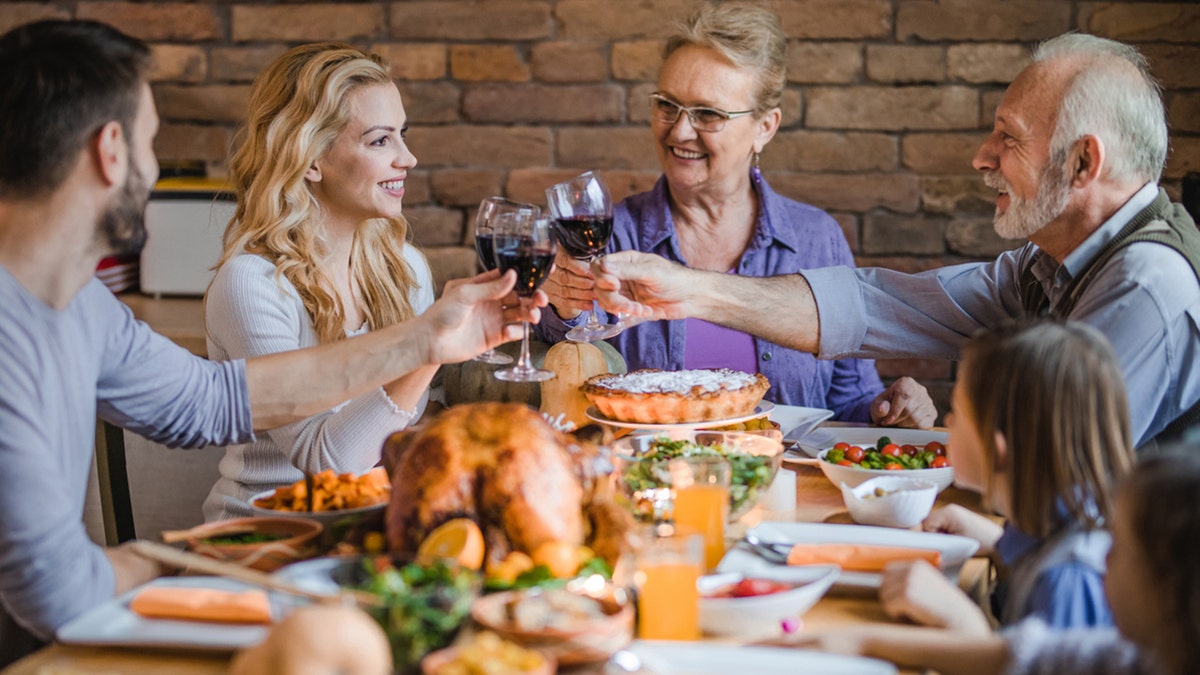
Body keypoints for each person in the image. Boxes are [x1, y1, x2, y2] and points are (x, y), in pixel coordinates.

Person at [0, 19, 543, 666]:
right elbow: (58, 592)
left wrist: (427, 337)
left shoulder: (79, 304)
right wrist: (180, 555)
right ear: (110, 150)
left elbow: (210, 400)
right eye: (152, 142)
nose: (154, 170)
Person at [592, 32, 1200, 448]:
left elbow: (1050, 470)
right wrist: (690, 291)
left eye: (1008, 139)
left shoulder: (1147, 286)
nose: (981, 157)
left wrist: (937, 435)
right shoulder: (1045, 269)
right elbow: (875, 304)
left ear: (1082, 163)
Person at [539, 3, 935, 428]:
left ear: (765, 126)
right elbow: (563, 354)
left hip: (781, 488)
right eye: (667, 105)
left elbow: (846, 402)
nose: (679, 131)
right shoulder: (611, 236)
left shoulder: (817, 239)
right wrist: (562, 305)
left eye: (708, 114)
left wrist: (891, 411)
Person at [202, 44, 439, 520]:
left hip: (371, 525)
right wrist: (430, 346)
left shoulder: (405, 268)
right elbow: (327, 462)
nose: (407, 158)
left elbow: (405, 436)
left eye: (402, 135)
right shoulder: (253, 285)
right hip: (269, 536)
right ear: (311, 160)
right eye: (379, 141)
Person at [789, 452, 1200, 675]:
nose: (1102, 554)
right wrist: (862, 640)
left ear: (1172, 589)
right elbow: (1023, 657)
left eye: (1120, 547)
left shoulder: (1070, 581)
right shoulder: (1136, 657)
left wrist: (966, 622)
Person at [878, 319, 1133, 634]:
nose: (948, 421)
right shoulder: (1056, 521)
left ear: (998, 450)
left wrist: (963, 621)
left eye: (957, 412)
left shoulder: (1068, 583)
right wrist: (997, 542)